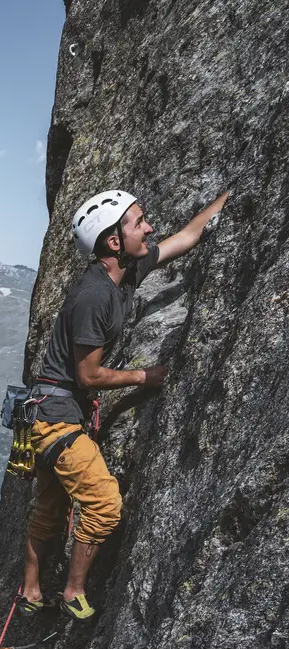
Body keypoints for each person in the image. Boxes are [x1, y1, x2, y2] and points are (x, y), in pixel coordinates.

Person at [20, 186, 230, 620]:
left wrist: (230, 197)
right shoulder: (96, 296)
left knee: (51, 508)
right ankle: (72, 590)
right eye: (139, 222)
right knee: (103, 505)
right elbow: (88, 375)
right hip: (57, 419)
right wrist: (145, 376)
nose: (149, 228)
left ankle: (30, 589)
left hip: (50, 413)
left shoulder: (125, 272)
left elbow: (185, 238)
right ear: (113, 241)